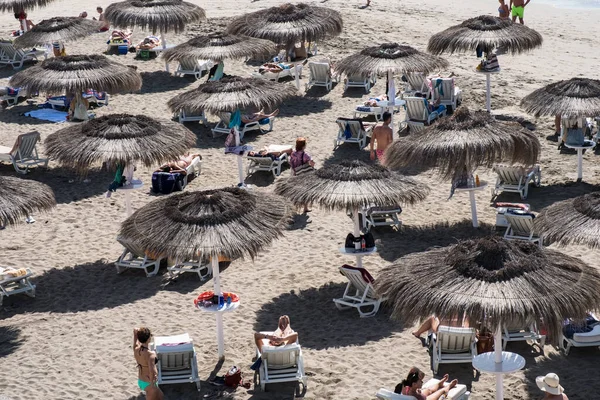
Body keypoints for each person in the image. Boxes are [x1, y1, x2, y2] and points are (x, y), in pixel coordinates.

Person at [133, 327, 164, 400]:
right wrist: (152, 384)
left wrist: (135, 335)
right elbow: (151, 370)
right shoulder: (150, 354)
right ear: (148, 338)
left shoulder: (136, 349)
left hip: (141, 380)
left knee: (161, 396)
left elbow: (135, 342)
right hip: (149, 383)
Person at [289, 137, 315, 212]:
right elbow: (312, 163)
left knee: (295, 191)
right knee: (305, 191)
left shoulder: (293, 153)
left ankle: (294, 208)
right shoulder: (305, 155)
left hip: (294, 173)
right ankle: (305, 208)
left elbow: (291, 162)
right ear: (303, 146)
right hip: (303, 175)